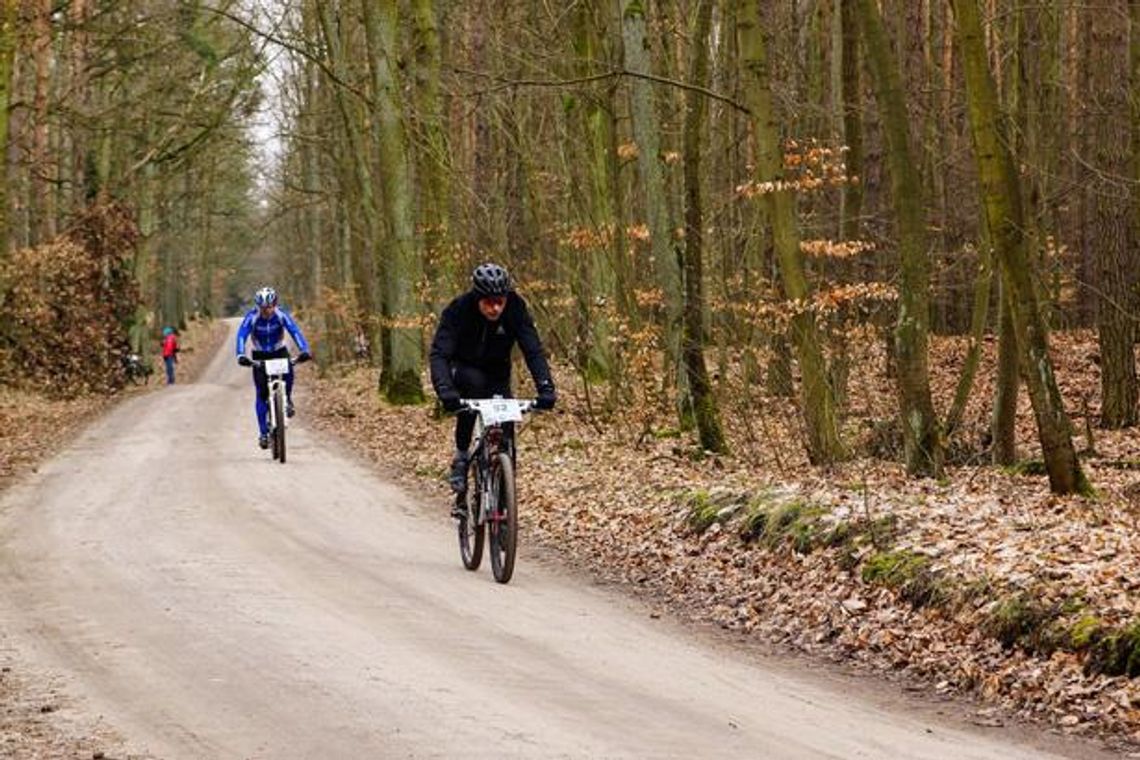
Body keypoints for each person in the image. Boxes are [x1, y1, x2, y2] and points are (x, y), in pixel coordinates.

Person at [429, 263, 557, 514]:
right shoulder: (458, 310)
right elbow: (439, 354)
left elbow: (532, 349)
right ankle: (462, 456)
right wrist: (445, 390)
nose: (496, 308)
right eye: (489, 302)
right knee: (472, 389)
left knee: (506, 422)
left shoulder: (516, 308)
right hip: (462, 367)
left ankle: (503, 494)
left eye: (500, 302)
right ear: (477, 298)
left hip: (497, 372)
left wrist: (545, 387)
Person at [236, 286, 312, 449]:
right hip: (260, 355)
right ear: (258, 306)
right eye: (263, 308)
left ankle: (288, 399)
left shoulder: (281, 314)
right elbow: (241, 335)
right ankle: (263, 433)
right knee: (261, 394)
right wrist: (240, 354)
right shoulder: (252, 317)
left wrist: (304, 349)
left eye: (270, 307)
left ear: (275, 304)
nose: (267, 311)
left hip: (279, 351)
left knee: (290, 367)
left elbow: (295, 331)